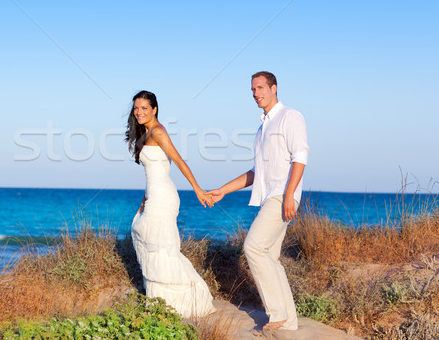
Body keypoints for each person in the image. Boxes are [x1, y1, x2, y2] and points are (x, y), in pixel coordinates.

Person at [208, 71, 309, 331]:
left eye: (261, 88)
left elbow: (300, 158)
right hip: (270, 197)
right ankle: (289, 323)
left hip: (282, 195)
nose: (256, 93)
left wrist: (289, 195)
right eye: (253, 89)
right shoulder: (262, 128)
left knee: (253, 247)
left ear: (274, 88)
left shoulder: (290, 116)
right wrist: (223, 190)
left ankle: (276, 315)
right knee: (271, 258)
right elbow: (256, 173)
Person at [125, 90, 216, 318]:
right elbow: (152, 173)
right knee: (150, 242)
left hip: (164, 197)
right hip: (153, 194)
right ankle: (158, 304)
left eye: (144, 108)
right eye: (136, 108)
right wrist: (144, 200)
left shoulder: (158, 132)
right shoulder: (145, 134)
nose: (139, 112)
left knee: (162, 249)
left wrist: (198, 189)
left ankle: (184, 303)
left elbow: (179, 161)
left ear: (154, 109)